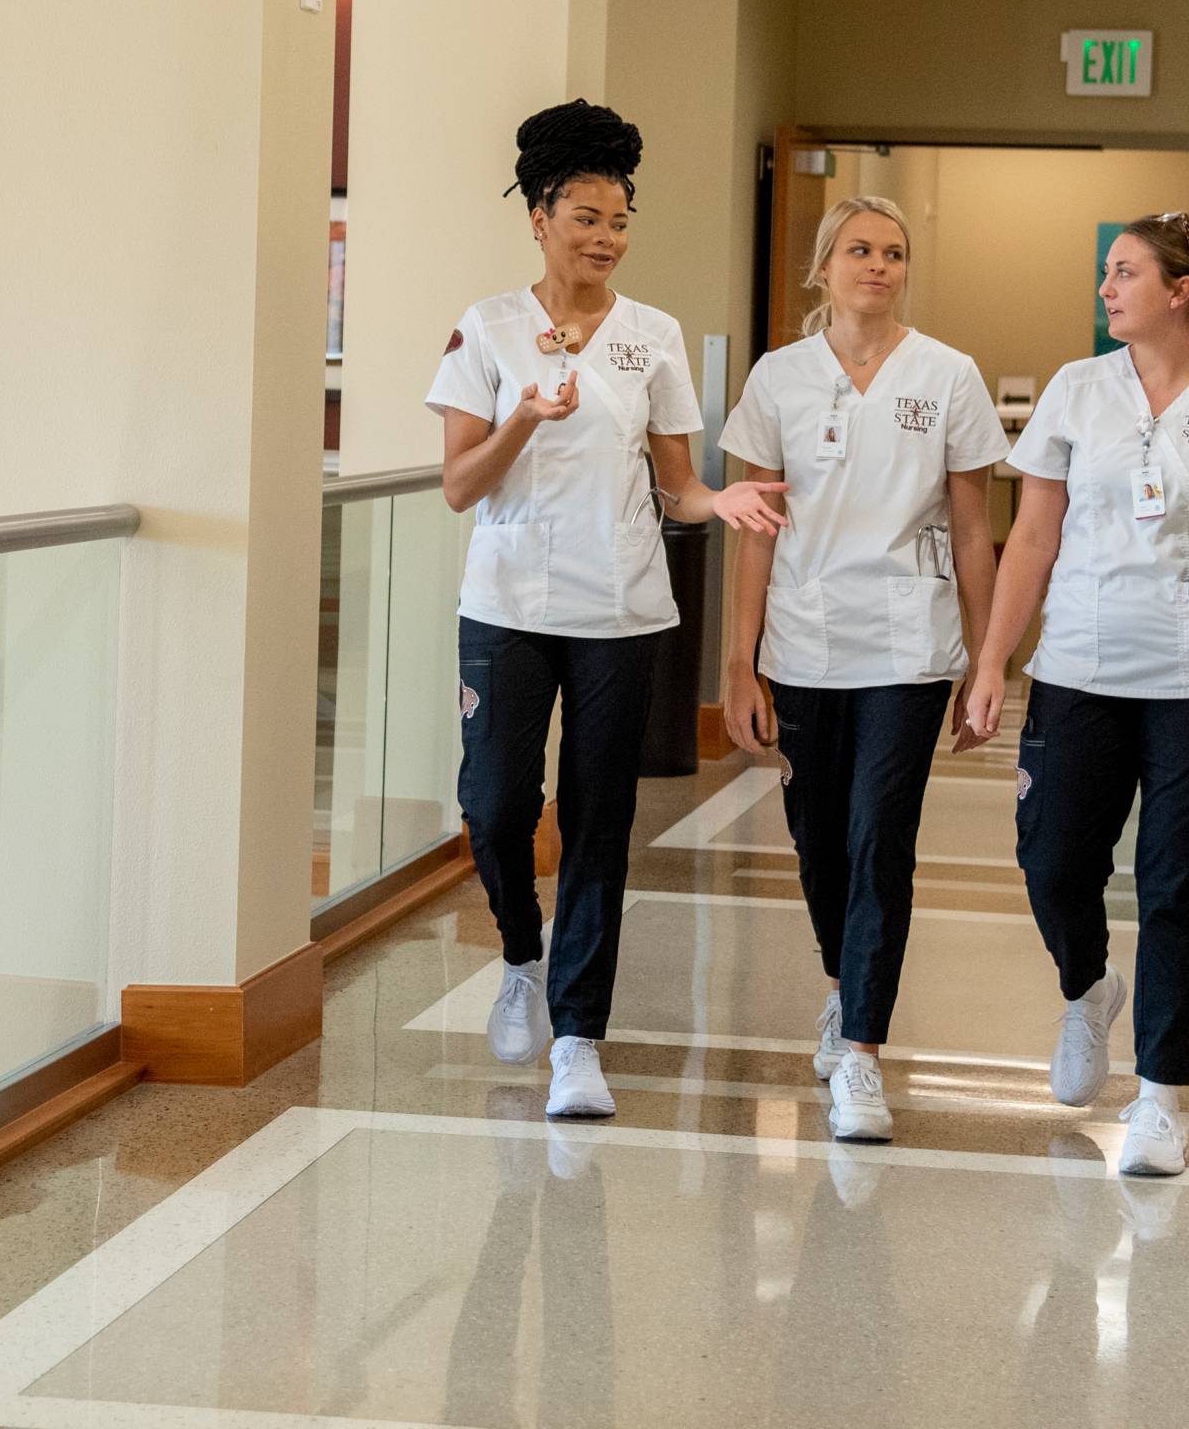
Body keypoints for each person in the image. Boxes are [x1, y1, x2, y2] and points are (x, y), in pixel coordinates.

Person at [430, 99, 789, 1122]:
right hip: (504, 603)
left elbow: (675, 483)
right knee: (496, 804)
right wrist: (521, 420)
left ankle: (578, 1036)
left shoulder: (652, 337)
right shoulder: (486, 328)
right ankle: (519, 956)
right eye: (585, 215)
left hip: (621, 610)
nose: (605, 236)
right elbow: (459, 485)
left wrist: (716, 499)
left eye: (618, 219)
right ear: (537, 216)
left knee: (600, 819)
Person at [962, 210, 1189, 1177]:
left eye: (1124, 274)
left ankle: (1161, 1097)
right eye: (1105, 274)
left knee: (1177, 887)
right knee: (1051, 860)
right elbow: (1031, 538)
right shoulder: (1078, 392)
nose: (1106, 289)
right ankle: (1087, 989)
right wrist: (993, 659)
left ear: (1181, 291)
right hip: (1081, 668)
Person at [718, 195, 1007, 1144]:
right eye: (858, 250)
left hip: (908, 645)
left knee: (881, 831)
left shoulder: (949, 375)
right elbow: (755, 530)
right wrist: (739, 662)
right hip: (803, 641)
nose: (876, 266)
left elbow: (974, 527)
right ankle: (846, 989)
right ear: (823, 266)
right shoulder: (779, 378)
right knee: (819, 838)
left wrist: (986, 657)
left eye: (892, 252)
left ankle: (864, 1059)